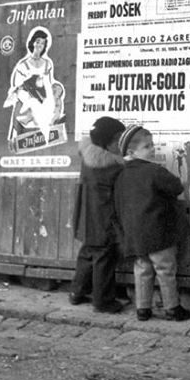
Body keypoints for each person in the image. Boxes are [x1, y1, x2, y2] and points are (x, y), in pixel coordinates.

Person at [114, 124, 190, 322]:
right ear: (132, 152)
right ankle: (172, 307)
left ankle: (143, 309)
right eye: (147, 146)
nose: (153, 149)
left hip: (134, 233)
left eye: (152, 145)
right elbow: (176, 187)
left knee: (142, 269)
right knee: (165, 269)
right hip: (158, 232)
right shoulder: (154, 171)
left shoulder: (121, 174)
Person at [69, 116, 126, 313]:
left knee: (87, 252)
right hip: (102, 218)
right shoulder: (112, 166)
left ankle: (77, 292)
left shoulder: (88, 156)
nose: (121, 144)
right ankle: (103, 301)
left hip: (85, 216)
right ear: (106, 142)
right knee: (105, 256)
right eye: (118, 139)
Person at [4, 27, 56, 145]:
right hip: (25, 99)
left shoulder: (48, 64)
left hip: (43, 100)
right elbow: (17, 86)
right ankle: (17, 139)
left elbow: (48, 84)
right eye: (37, 41)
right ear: (32, 42)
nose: (39, 45)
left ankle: (45, 136)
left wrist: (45, 99)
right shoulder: (23, 65)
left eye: (42, 43)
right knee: (22, 108)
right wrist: (29, 95)